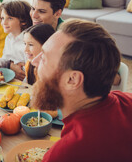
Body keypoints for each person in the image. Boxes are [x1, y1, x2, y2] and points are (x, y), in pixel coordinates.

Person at [30, 19, 132, 161]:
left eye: (44, 57)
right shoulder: (127, 99)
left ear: (72, 80)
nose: (34, 61)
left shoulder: (64, 155)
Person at [0, 0, 32, 80]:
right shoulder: (9, 38)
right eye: (2, 18)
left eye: (10, 18)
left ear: (23, 21)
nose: (4, 22)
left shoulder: (27, 41)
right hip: (11, 79)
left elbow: (28, 72)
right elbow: (6, 60)